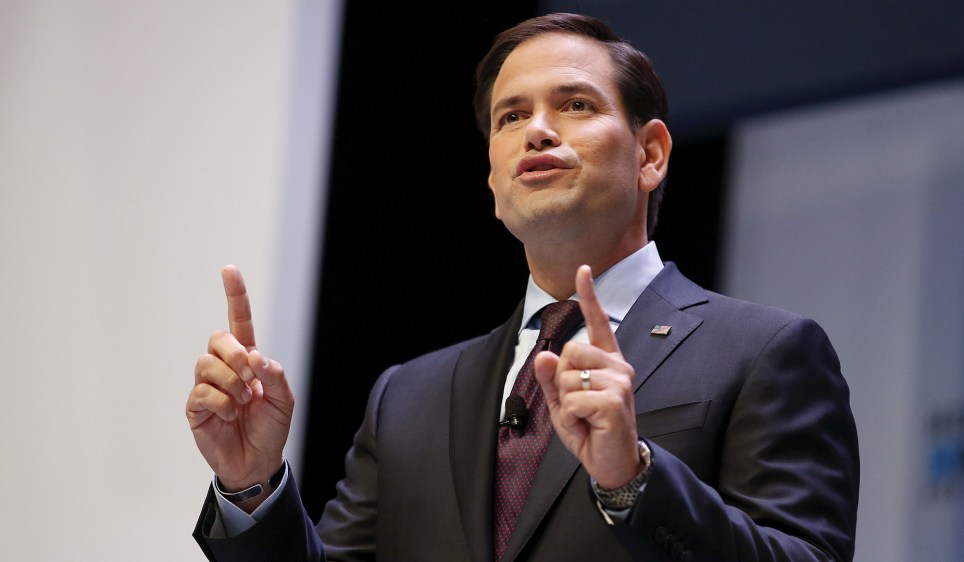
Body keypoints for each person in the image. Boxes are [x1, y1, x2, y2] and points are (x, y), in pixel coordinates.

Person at [187, 12, 859, 561]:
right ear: (493, 179)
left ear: (650, 154)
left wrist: (636, 481)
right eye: (510, 117)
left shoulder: (764, 350)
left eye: (574, 104)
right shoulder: (409, 396)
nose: (536, 129)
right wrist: (252, 486)